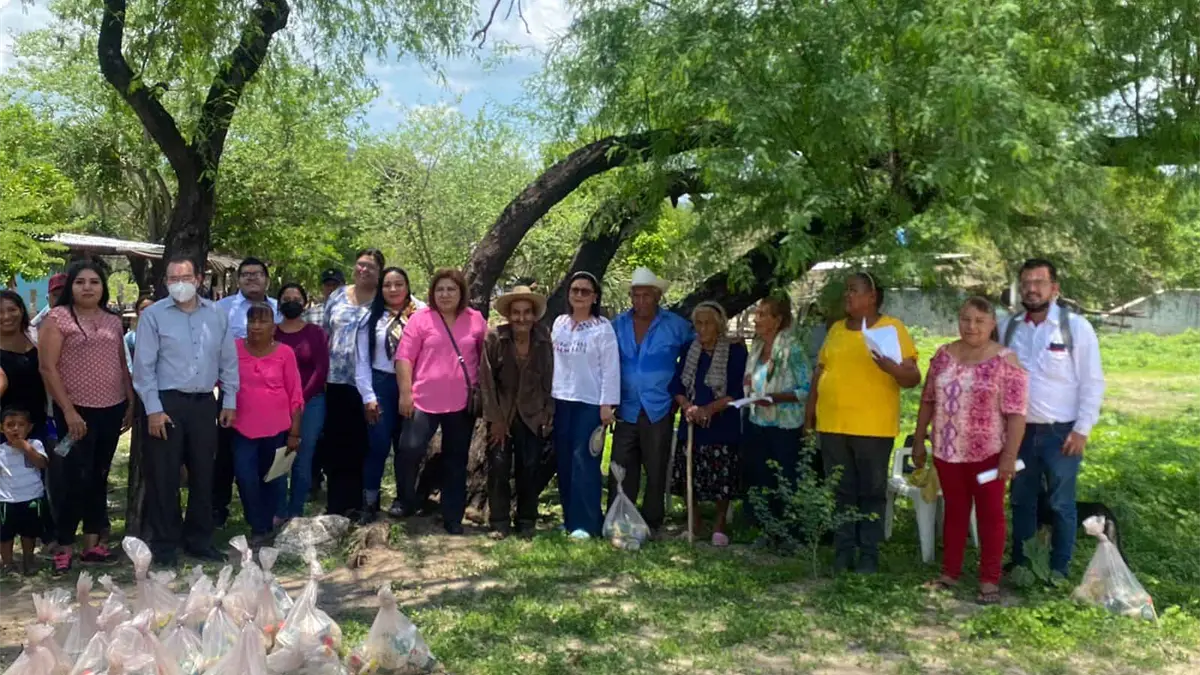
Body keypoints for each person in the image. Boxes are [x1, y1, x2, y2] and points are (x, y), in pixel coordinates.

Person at [913, 297, 1028, 604]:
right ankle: (949, 573)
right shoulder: (943, 355)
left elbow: (1017, 414)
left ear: (992, 324)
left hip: (988, 454)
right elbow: (928, 400)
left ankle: (989, 580)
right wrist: (918, 439)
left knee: (990, 515)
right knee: (954, 511)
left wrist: (1009, 457)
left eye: (979, 321)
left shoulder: (1006, 361)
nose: (971, 326)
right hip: (947, 451)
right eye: (965, 319)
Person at [806, 272, 920, 574]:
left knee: (871, 492)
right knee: (840, 492)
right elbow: (820, 372)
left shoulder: (891, 328)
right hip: (832, 426)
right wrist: (809, 414)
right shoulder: (836, 330)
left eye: (854, 290)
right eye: (847, 290)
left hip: (872, 428)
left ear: (872, 296)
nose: (847, 295)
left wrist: (891, 367)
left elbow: (912, 378)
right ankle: (843, 553)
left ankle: (869, 555)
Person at [1001, 258, 1105, 580]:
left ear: (1054, 288)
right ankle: (1022, 564)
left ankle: (1059, 569)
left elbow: (1092, 382)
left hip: (1062, 433)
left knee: (1061, 503)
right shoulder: (1008, 327)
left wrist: (1082, 429)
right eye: (1026, 283)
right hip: (1019, 432)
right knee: (1021, 500)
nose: (1031, 289)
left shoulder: (1075, 328)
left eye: (1039, 282)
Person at [133, 256, 238, 565]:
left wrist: (229, 400)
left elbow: (228, 361)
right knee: (164, 475)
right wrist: (153, 410)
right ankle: (165, 544)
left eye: (186, 277)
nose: (180, 284)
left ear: (199, 279)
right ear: (166, 282)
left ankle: (199, 540)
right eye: (173, 279)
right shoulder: (154, 316)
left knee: (204, 473)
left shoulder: (216, 314)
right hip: (166, 403)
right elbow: (144, 368)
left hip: (204, 403)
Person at [38, 260, 133, 574]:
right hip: (75, 412)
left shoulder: (113, 321)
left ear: (103, 287)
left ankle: (92, 544)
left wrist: (130, 401)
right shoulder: (58, 318)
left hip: (112, 408)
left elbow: (121, 364)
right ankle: (65, 544)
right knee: (73, 478)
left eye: (94, 282)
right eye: (80, 282)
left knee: (98, 475)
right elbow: (47, 368)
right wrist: (68, 411)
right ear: (71, 287)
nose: (88, 287)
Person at [396, 269, 488, 535]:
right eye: (440, 289)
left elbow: (487, 357)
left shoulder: (475, 320)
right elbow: (404, 358)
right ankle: (406, 500)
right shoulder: (420, 319)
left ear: (461, 292)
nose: (445, 294)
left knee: (456, 460)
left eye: (451, 289)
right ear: (432, 293)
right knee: (409, 449)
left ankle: (452, 516)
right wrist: (405, 393)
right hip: (422, 399)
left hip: (461, 403)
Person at [609, 267, 693, 538]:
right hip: (625, 406)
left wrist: (680, 390)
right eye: (636, 295)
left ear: (657, 297)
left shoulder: (676, 326)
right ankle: (620, 518)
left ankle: (652, 523)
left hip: (659, 405)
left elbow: (696, 352)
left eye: (646, 295)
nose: (641, 301)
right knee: (621, 465)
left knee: (656, 466)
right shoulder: (617, 325)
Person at [669, 301, 747, 546]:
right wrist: (688, 407)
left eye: (707, 324)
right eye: (698, 324)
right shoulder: (690, 349)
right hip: (692, 421)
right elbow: (677, 385)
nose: (702, 329)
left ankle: (720, 524)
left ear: (719, 325)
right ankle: (694, 521)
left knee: (722, 475)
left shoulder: (735, 351)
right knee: (688, 473)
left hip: (722, 422)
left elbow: (737, 389)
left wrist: (709, 409)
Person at [480, 285, 554, 539]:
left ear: (534, 315)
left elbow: (550, 378)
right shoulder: (494, 338)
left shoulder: (544, 340)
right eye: (516, 312)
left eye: (526, 312)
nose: (521, 318)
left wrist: (547, 412)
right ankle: (499, 521)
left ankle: (526, 520)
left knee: (530, 467)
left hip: (532, 413)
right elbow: (486, 381)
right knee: (498, 466)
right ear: (508, 315)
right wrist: (495, 419)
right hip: (502, 412)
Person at [551, 271, 620, 539]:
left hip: (590, 402)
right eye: (575, 290)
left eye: (585, 291)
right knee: (565, 462)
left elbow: (611, 368)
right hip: (561, 399)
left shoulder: (602, 328)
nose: (579, 295)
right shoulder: (559, 323)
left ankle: (587, 523)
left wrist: (607, 404)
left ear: (595, 297)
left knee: (585, 462)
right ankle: (570, 519)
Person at [213, 257, 281, 526]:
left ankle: (263, 509)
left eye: (257, 274)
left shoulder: (277, 309)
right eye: (246, 274)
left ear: (267, 279)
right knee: (225, 452)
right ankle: (219, 508)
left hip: (268, 395)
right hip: (231, 391)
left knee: (264, 452)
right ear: (238, 280)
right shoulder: (222, 308)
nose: (252, 278)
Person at [233, 302, 304, 546]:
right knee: (245, 477)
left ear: (274, 327)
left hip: (277, 428)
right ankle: (257, 523)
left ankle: (265, 528)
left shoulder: (285, 353)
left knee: (272, 479)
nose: (256, 326)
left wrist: (295, 432)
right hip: (242, 428)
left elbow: (295, 394)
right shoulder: (234, 349)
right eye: (252, 321)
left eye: (263, 321)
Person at [356, 267, 423, 523]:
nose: (393, 290)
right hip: (381, 384)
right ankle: (370, 501)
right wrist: (368, 396)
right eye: (387, 285)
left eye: (399, 284)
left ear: (407, 286)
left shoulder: (421, 313)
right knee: (378, 445)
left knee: (407, 446)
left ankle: (404, 499)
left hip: (415, 384)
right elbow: (362, 359)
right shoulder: (371, 317)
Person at [741, 296, 811, 538]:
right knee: (762, 477)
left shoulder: (792, 348)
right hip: (757, 421)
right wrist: (750, 389)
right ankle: (767, 530)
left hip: (785, 426)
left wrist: (775, 398)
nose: (756, 319)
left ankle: (790, 533)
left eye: (762, 314)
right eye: (756, 313)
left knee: (786, 479)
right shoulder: (757, 347)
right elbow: (751, 379)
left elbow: (807, 389)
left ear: (778, 320)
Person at [322, 250, 383, 517]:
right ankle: (336, 503)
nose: (364, 270)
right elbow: (325, 333)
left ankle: (362, 502)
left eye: (370, 266)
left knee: (364, 443)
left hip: (369, 382)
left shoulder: (383, 300)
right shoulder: (337, 295)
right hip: (335, 380)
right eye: (360, 264)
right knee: (336, 442)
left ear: (379, 272)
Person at [275, 283, 329, 520]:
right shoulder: (271, 333)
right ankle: (277, 511)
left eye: (296, 298)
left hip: (311, 402)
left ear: (305, 303)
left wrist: (300, 400)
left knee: (302, 458)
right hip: (276, 404)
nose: (292, 302)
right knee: (279, 458)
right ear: (279, 304)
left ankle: (295, 511)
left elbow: (321, 370)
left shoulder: (315, 333)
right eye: (286, 298)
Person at [0, 407, 49, 577]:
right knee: (5, 535)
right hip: (6, 500)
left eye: (21, 425)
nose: (15, 429)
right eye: (10, 425)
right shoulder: (1, 450)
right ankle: (8, 563)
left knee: (29, 533)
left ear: (29, 428)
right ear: (2, 428)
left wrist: (26, 448)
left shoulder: (35, 444)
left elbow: (42, 463)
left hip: (31, 497)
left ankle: (29, 560)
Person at [0, 292, 48, 444]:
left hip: (39, 422)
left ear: (21, 310)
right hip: (8, 430)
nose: (6, 316)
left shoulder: (35, 336)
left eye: (12, 310)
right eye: (0, 312)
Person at [123, 296, 155, 373]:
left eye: (152, 307)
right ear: (137, 312)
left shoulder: (166, 335)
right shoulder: (130, 338)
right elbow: (128, 363)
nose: (148, 311)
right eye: (143, 308)